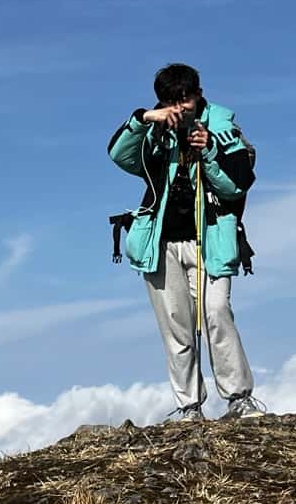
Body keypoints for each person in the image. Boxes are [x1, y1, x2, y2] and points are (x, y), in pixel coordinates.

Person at [107, 63, 265, 421]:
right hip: (160, 245)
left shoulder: (222, 128)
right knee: (176, 324)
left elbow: (237, 185)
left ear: (198, 94)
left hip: (209, 238)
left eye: (185, 100)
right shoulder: (155, 131)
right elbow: (119, 155)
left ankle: (238, 398)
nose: (180, 109)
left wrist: (207, 153)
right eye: (171, 102)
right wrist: (143, 119)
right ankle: (189, 406)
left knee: (216, 313)